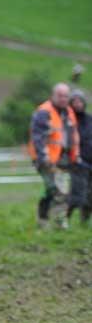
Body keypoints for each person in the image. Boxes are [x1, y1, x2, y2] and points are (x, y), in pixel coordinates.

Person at [28, 82, 80, 229]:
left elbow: (72, 136)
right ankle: (58, 222)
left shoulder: (68, 112)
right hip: (46, 159)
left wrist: (75, 155)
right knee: (57, 190)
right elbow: (38, 138)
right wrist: (43, 158)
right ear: (53, 95)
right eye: (60, 95)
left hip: (63, 159)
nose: (63, 99)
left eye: (66, 96)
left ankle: (45, 220)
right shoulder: (44, 112)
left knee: (54, 191)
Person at [68, 90, 92, 224]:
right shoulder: (69, 122)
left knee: (90, 196)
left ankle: (84, 221)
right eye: (74, 101)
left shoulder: (90, 119)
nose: (77, 104)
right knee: (77, 195)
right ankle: (65, 219)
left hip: (90, 161)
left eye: (80, 101)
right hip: (77, 163)